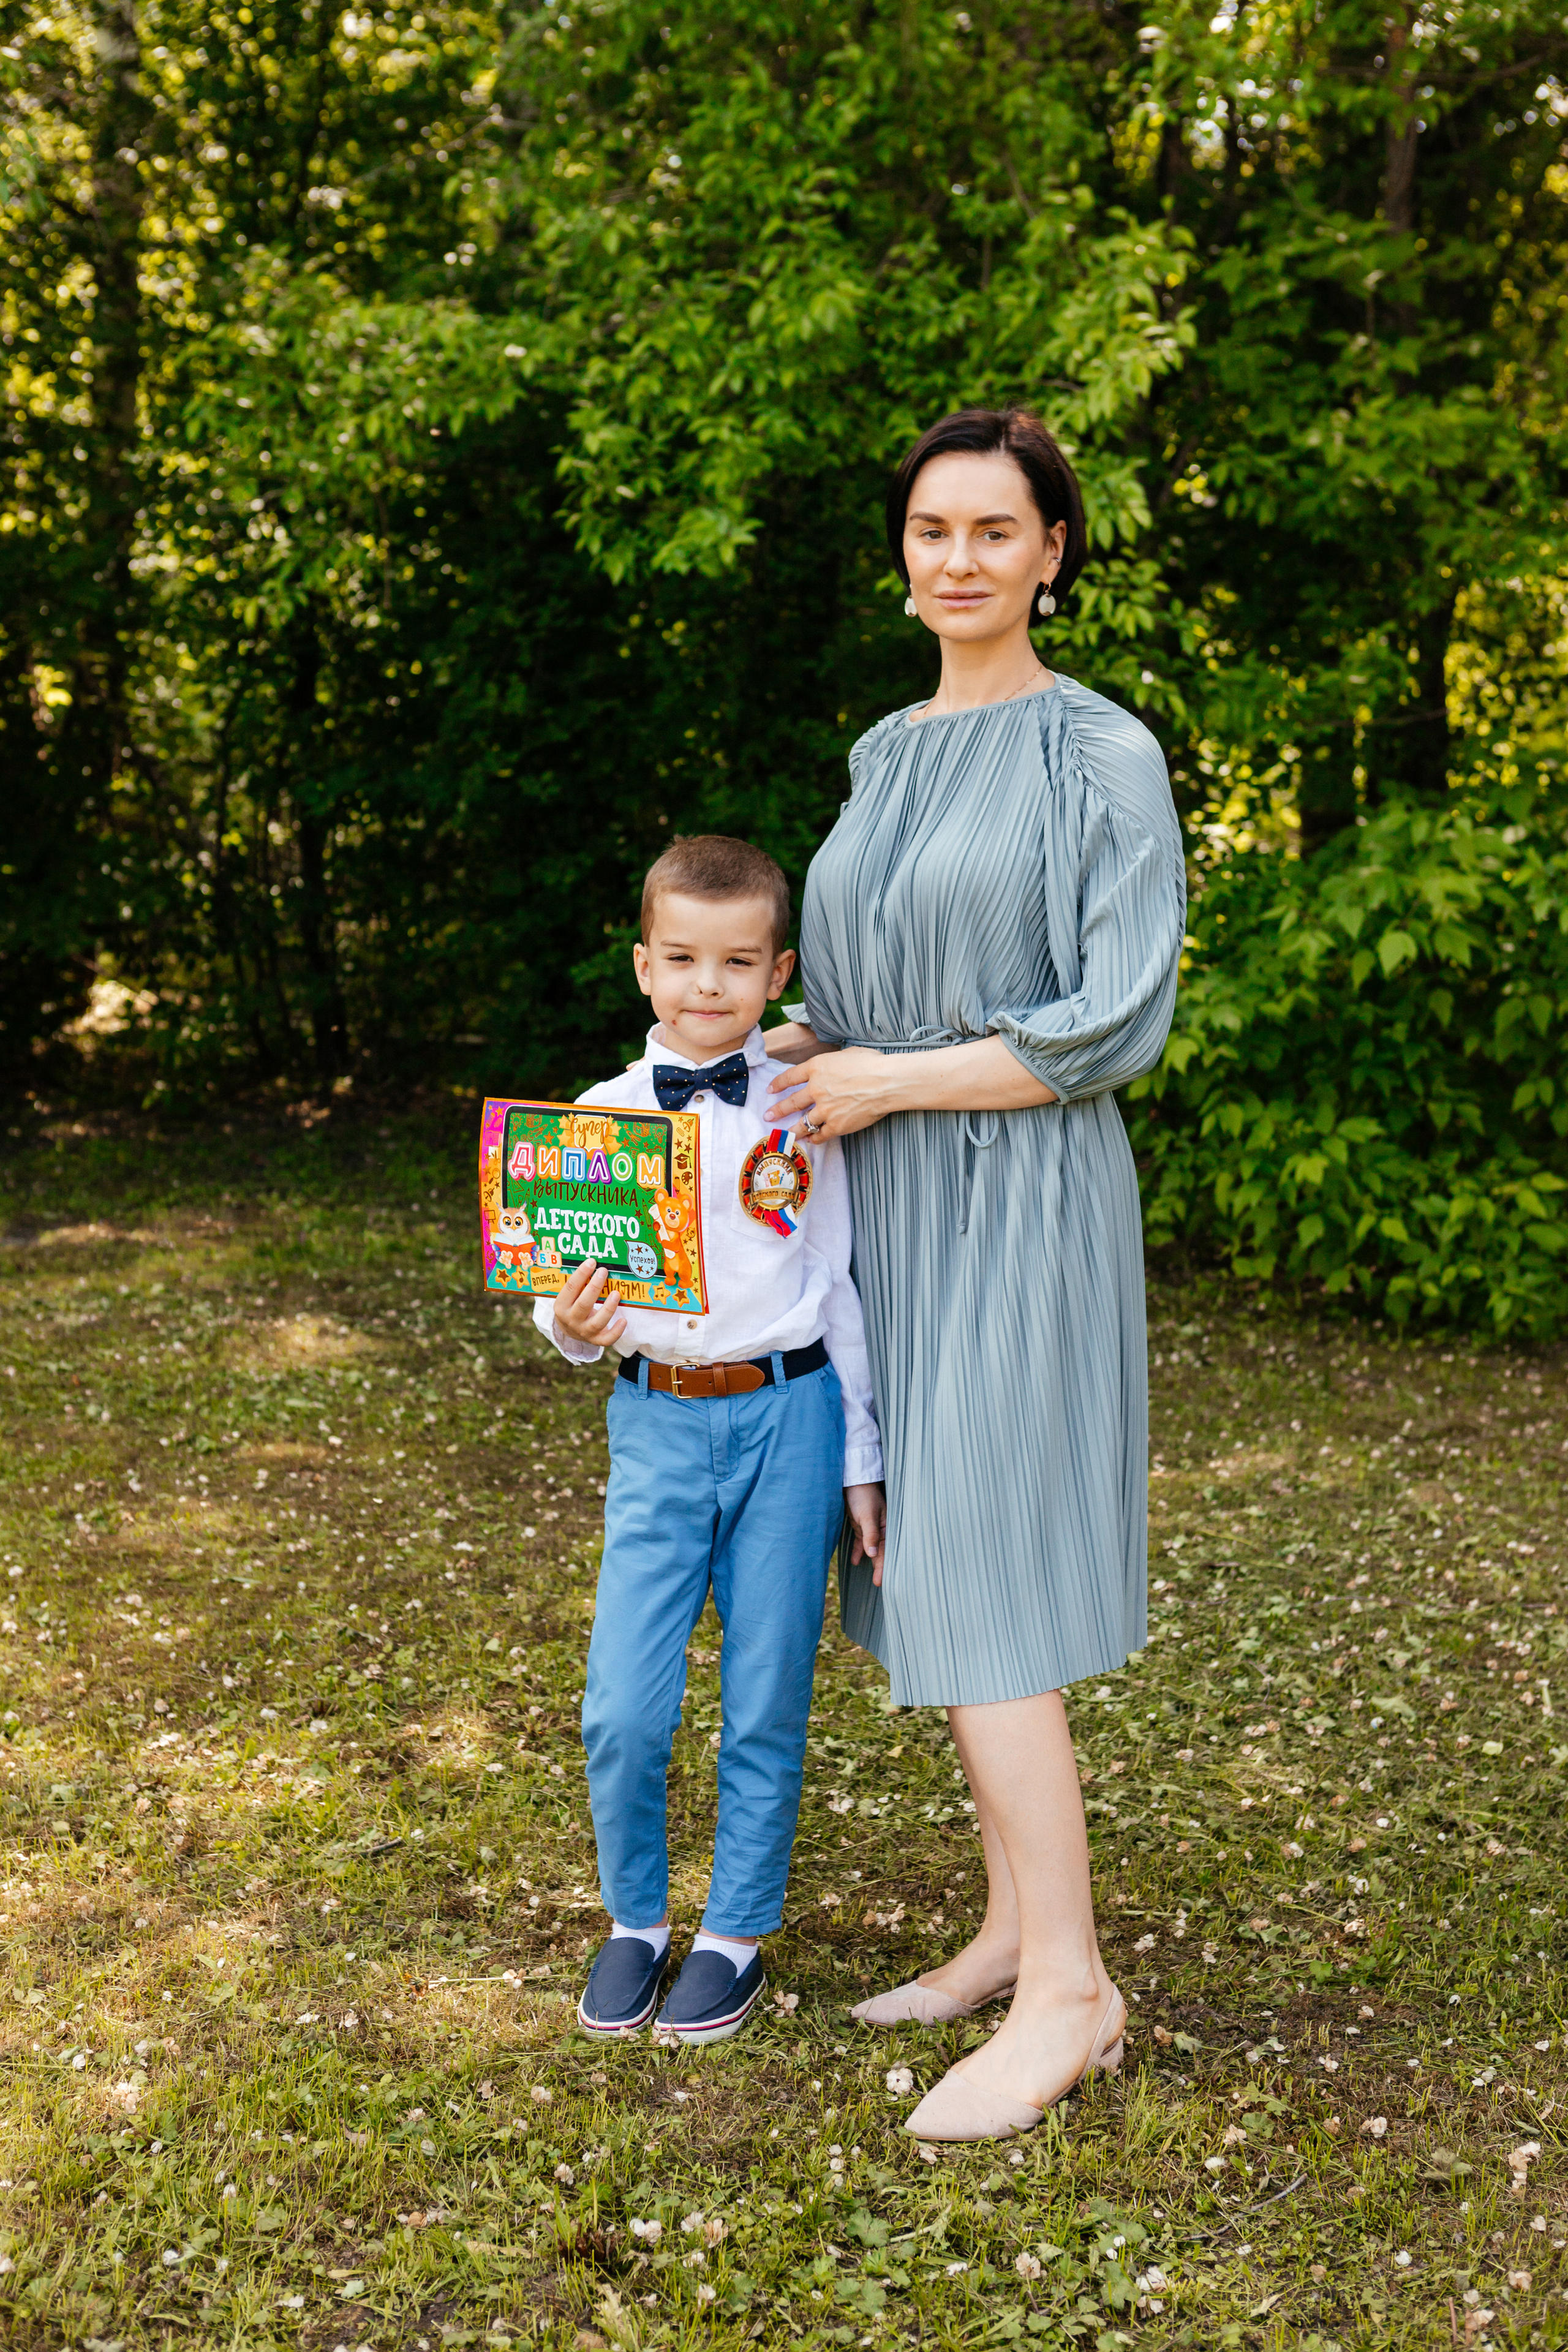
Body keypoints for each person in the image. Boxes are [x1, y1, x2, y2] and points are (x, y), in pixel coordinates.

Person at [766, 408, 1185, 2141]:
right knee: (927, 1557)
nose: (958, 560)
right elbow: (862, 1000)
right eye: (932, 529)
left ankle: (1078, 1992)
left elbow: (1111, 1019)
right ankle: (1015, 1932)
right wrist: (774, 1052)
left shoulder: (1103, 753)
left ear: (1052, 553)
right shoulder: (884, 750)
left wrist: (887, 1079)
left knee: (987, 1576)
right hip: (891, 1217)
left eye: (994, 532)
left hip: (1021, 1199)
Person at [537, 834, 886, 2044]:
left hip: (790, 1418)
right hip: (658, 1419)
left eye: (735, 963)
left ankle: (733, 1932)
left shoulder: (799, 1110)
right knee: (623, 1706)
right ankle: (634, 1919)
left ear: (775, 971)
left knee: (764, 1692)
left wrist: (859, 1458)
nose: (705, 984)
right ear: (642, 966)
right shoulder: (596, 1118)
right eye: (681, 958)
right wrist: (572, 1327)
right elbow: (563, 1287)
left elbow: (835, 1284)